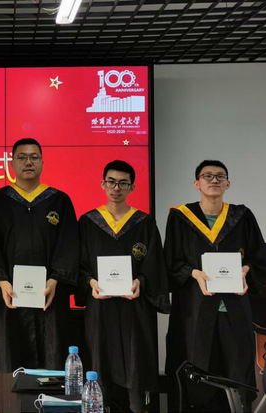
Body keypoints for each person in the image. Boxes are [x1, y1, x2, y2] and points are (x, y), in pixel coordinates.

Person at [164, 160, 266, 411]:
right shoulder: (180, 217)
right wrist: (193, 273)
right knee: (198, 368)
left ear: (228, 184)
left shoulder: (241, 217)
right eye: (207, 176)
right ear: (197, 183)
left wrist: (245, 270)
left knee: (236, 369)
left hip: (233, 310)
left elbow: (259, 258)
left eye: (220, 176)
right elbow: (171, 261)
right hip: (196, 310)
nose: (214, 180)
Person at [76, 160, 170, 412]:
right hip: (100, 307)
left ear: (132, 187)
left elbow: (154, 264)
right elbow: (79, 263)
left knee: (135, 368)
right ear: (103, 184)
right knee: (100, 367)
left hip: (134, 309)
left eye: (123, 183)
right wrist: (90, 282)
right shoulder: (88, 222)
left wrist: (141, 282)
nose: (116, 188)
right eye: (111, 182)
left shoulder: (144, 223)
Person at [0, 138, 79, 372]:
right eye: (22, 157)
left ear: (42, 163)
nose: (28, 162)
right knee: (8, 357)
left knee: (52, 356)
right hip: (8, 296)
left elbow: (69, 244)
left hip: (49, 295)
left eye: (34, 157)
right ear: (11, 164)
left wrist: (55, 279)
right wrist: (1, 281)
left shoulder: (60, 201)